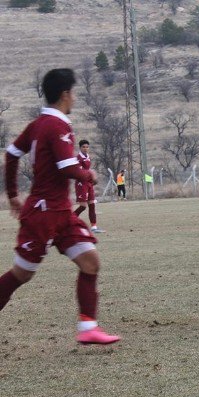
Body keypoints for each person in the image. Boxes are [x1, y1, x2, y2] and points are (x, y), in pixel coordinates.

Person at [0, 68, 120, 344]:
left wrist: (13, 194)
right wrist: (87, 174)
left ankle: (88, 327)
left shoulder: (38, 124)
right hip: (43, 214)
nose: (74, 98)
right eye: (74, 92)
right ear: (66, 94)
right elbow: (66, 166)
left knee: (90, 262)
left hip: (61, 212)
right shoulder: (56, 125)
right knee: (21, 274)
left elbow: (12, 154)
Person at [73, 139, 105, 233]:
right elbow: (79, 172)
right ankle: (68, 221)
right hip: (81, 183)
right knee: (83, 206)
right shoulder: (78, 158)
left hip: (88, 183)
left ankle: (94, 227)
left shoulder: (87, 157)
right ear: (80, 148)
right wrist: (92, 174)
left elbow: (87, 170)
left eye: (87, 147)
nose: (86, 149)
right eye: (83, 147)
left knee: (92, 205)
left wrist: (92, 179)